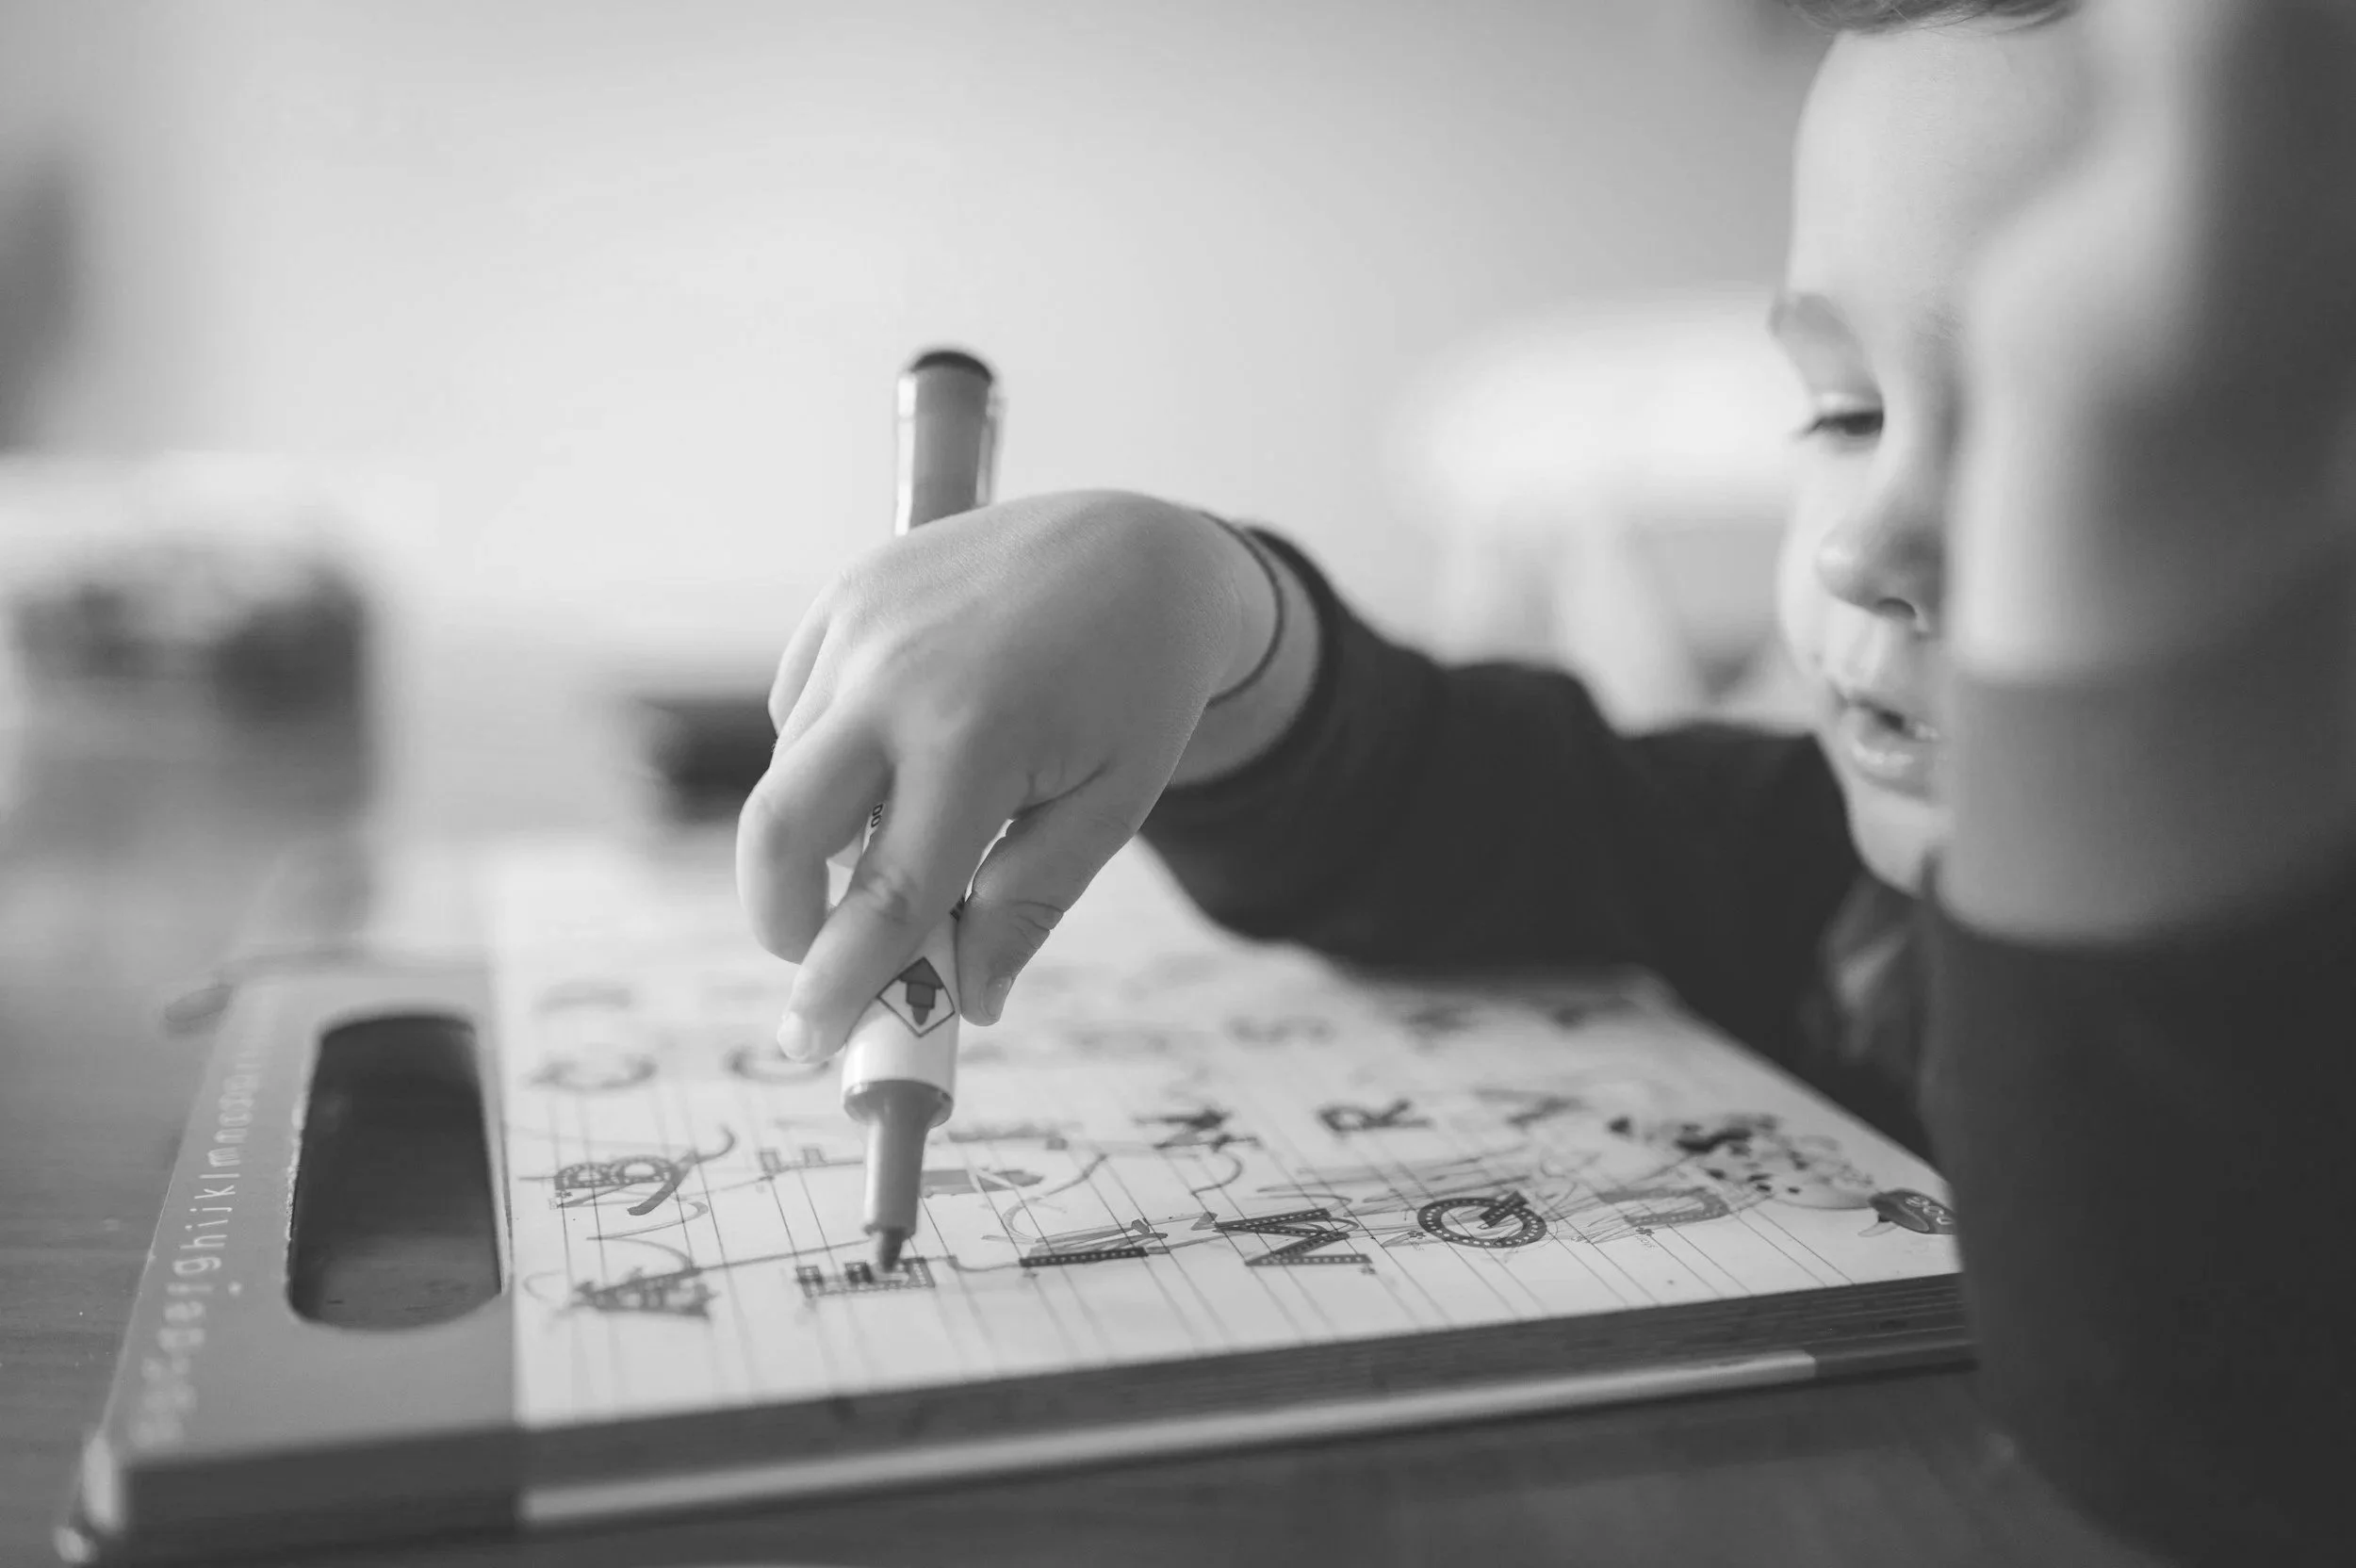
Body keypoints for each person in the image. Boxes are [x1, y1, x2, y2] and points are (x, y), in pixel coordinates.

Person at [735, 0, 2356, 1559]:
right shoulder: (1827, 881)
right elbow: (1469, 806)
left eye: (2112, 434)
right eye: (1847, 411)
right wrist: (1207, 604)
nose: (1866, 545)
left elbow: (2206, 1415)